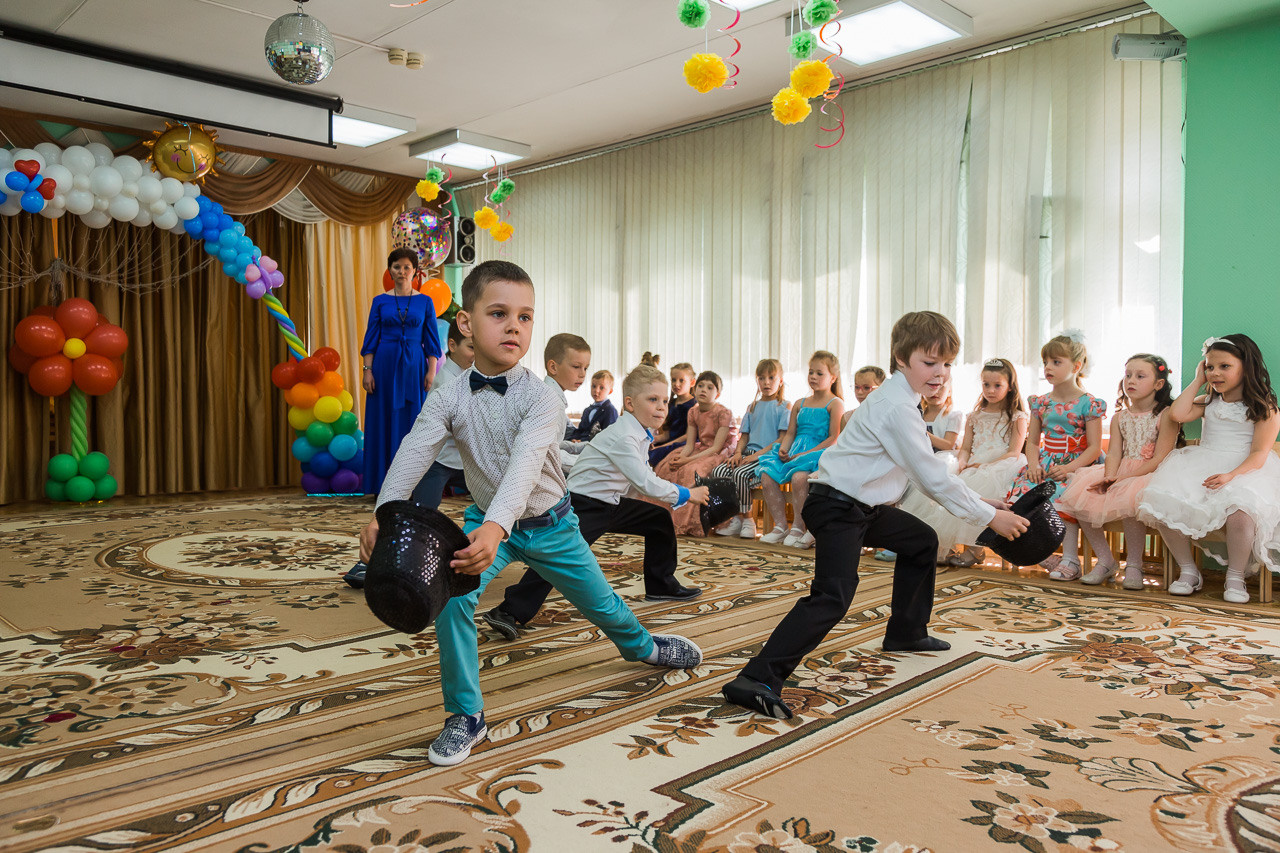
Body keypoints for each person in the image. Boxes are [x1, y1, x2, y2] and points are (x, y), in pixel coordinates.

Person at [358, 260, 702, 766]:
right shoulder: (448, 394)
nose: (514, 326)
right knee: (451, 598)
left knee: (604, 606)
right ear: (466, 323)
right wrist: (383, 517)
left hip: (551, 524)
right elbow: (413, 452)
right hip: (483, 518)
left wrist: (499, 526)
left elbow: (523, 469)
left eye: (525, 316)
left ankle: (642, 648)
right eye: (499, 313)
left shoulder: (541, 397)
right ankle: (466, 714)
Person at [721, 311, 1029, 720]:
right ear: (901, 359)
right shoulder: (895, 408)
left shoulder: (903, 401)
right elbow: (932, 477)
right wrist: (990, 519)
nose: (939, 373)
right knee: (834, 595)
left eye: (947, 364)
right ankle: (756, 678)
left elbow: (923, 471)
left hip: (863, 507)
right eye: (929, 362)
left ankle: (906, 632)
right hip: (835, 506)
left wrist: (984, 502)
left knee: (920, 541)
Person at [482, 365, 709, 641]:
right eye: (652, 400)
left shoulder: (640, 433)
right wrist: (688, 494)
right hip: (584, 505)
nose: (662, 407)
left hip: (610, 504)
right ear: (629, 403)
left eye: (664, 400)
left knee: (658, 520)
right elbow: (645, 482)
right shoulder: (625, 436)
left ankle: (661, 584)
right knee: (561, 559)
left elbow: (642, 479)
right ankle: (508, 611)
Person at [1137, 335, 1280, 603]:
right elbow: (1176, 414)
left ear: (1246, 367)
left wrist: (1231, 476)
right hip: (1203, 463)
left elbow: (1260, 453)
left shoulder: (1264, 406)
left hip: (1245, 469)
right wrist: (1197, 380)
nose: (1215, 373)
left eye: (1224, 366)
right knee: (1163, 502)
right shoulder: (1208, 401)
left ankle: (1235, 577)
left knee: (1241, 515)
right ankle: (1189, 570)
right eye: (1210, 366)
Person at [343, 320, 472, 589]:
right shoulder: (446, 382)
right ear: (452, 345)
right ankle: (369, 563)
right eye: (471, 347)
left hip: (467, 462)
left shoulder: (473, 375)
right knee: (419, 516)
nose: (476, 353)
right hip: (439, 461)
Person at [1059, 354, 1180, 588]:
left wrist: (1123, 479)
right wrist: (1109, 477)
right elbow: (1114, 453)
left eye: (1140, 376)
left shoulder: (1166, 415)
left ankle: (1134, 564)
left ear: (1158, 384)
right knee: (1084, 496)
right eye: (1128, 375)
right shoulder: (1119, 417)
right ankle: (1105, 560)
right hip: (1120, 469)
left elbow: (1160, 458)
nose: (1131, 380)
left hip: (1152, 473)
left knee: (1131, 500)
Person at [899, 358, 1029, 566]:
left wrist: (985, 465)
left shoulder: (1017, 416)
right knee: (949, 481)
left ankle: (976, 549)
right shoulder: (974, 416)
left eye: (997, 385)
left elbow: (1014, 452)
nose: (991, 390)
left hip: (1003, 464)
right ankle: (952, 546)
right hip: (973, 462)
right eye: (986, 384)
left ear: (1010, 387)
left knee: (980, 485)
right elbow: (966, 448)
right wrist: (962, 462)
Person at [1004, 331, 1106, 581]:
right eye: (1046, 362)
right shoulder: (1041, 403)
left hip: (1078, 465)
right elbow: (1033, 441)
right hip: (1046, 462)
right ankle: (1043, 556)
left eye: (1056, 362)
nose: (1048, 367)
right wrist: (1033, 464)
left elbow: (1093, 447)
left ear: (1077, 366)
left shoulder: (1089, 403)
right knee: (1022, 498)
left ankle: (1071, 560)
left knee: (1064, 498)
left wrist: (1070, 468)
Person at [360, 248, 443, 496]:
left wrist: (430, 372)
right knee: (382, 422)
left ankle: (409, 486)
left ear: (415, 271)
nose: (401, 271)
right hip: (384, 368)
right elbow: (370, 340)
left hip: (414, 368)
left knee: (412, 424)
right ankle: (380, 486)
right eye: (397, 267)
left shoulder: (424, 301)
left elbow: (432, 341)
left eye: (407, 267)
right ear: (390, 270)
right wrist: (367, 370)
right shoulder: (380, 301)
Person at [757, 351, 845, 549]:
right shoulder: (799, 403)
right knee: (766, 474)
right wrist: (785, 449)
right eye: (811, 372)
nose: (813, 377)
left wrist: (805, 454)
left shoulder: (835, 403)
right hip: (795, 450)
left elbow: (834, 438)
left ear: (833, 377)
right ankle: (781, 526)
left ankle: (799, 525)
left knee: (799, 477)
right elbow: (790, 433)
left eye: (819, 373)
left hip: (819, 451)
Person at [654, 371, 740, 536]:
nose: (703, 390)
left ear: (718, 394)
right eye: (700, 385)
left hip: (719, 451)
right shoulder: (693, 411)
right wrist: (682, 457)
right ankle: (663, 517)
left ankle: (687, 523)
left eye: (709, 387)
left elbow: (716, 447)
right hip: (700, 448)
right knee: (666, 467)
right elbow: (690, 443)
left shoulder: (723, 413)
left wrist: (688, 461)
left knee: (690, 472)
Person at [713, 359, 789, 539]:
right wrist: (738, 453)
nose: (766, 382)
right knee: (718, 472)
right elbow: (744, 436)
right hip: (747, 454)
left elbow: (782, 438)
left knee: (740, 475)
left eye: (771, 378)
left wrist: (757, 456)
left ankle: (749, 521)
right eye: (761, 378)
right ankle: (735, 518)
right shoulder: (752, 407)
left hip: (766, 458)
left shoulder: (784, 406)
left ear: (780, 380)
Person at [542, 333, 592, 469]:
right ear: (553, 367)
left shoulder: (549, 394)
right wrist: (590, 463)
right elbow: (548, 454)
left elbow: (553, 444)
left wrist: (586, 447)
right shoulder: (549, 401)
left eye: (586, 368)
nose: (582, 374)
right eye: (576, 366)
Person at [649, 363, 696, 466]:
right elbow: (668, 433)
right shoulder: (671, 404)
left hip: (685, 443)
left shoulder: (694, 406)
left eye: (681, 380)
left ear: (692, 382)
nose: (676, 384)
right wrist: (654, 440)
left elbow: (688, 436)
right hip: (670, 442)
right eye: (673, 380)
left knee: (653, 454)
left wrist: (663, 446)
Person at [568, 369, 619, 442]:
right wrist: (574, 438)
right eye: (594, 386)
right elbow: (580, 430)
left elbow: (608, 435)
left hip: (596, 446)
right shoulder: (587, 410)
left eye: (601, 388)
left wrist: (582, 440)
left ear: (610, 391)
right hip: (581, 443)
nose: (596, 390)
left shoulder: (610, 410)